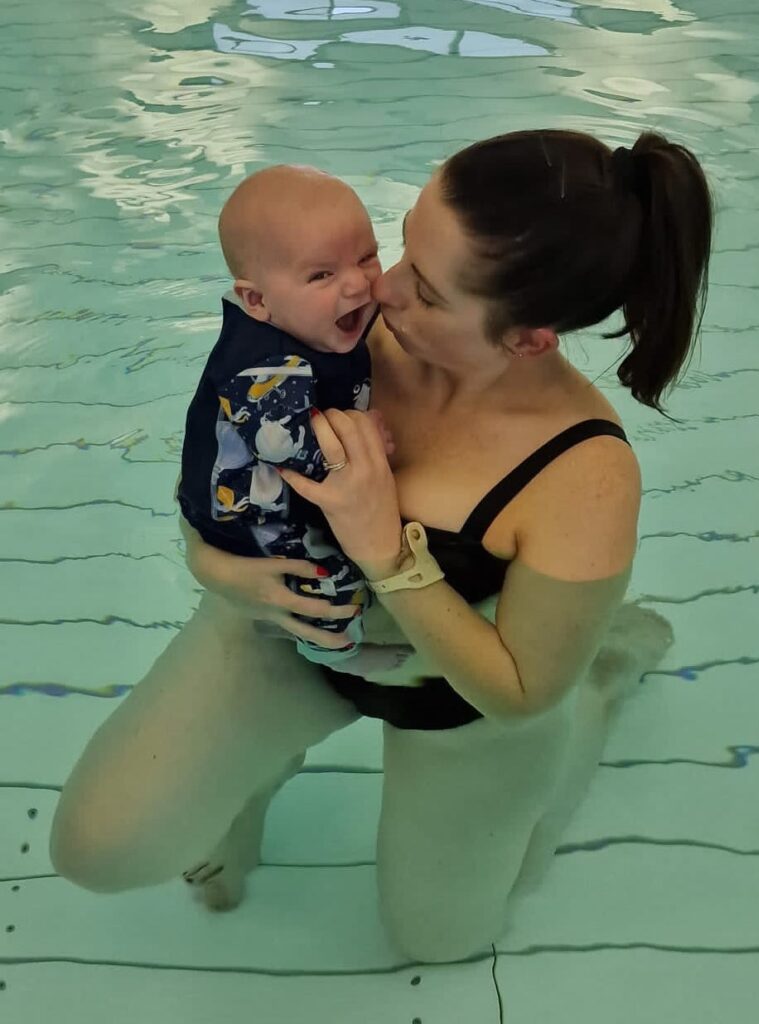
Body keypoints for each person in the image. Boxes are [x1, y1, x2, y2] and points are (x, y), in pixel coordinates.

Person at [50, 129, 712, 964]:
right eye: (399, 246)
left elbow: (517, 691)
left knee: (440, 941)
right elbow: (218, 480)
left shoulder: (582, 473)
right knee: (99, 850)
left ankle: (601, 677)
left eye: (424, 289)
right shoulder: (326, 326)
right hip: (289, 636)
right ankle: (254, 771)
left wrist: (386, 556)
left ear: (527, 338)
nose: (379, 288)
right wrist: (209, 565)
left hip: (459, 702)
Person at [177, 164, 389, 666]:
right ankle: (331, 653)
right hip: (249, 520)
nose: (358, 283)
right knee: (323, 583)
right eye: (322, 275)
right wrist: (366, 440)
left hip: (277, 495)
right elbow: (281, 443)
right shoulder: (259, 363)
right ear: (257, 301)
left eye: (367, 256)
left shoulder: (316, 316)